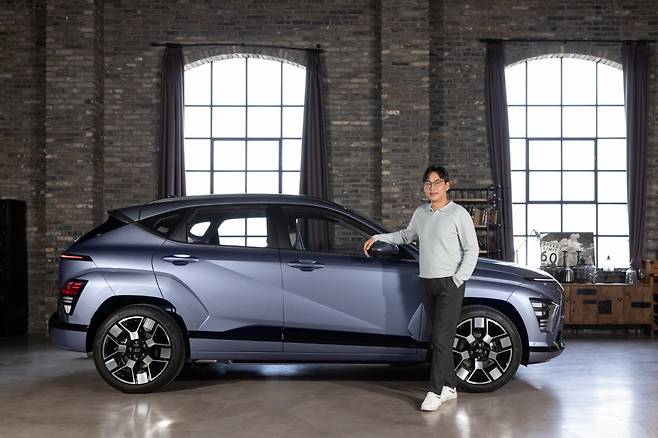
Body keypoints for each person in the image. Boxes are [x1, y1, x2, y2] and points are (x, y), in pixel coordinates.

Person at [363, 164, 479, 411]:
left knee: (441, 337)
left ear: (447, 185)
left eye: (437, 182)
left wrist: (458, 279)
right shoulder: (421, 213)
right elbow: (406, 236)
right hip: (427, 282)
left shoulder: (459, 214)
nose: (432, 187)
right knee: (438, 338)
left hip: (450, 283)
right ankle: (450, 386)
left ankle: (435, 391)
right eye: (428, 183)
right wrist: (378, 238)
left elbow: (472, 249)